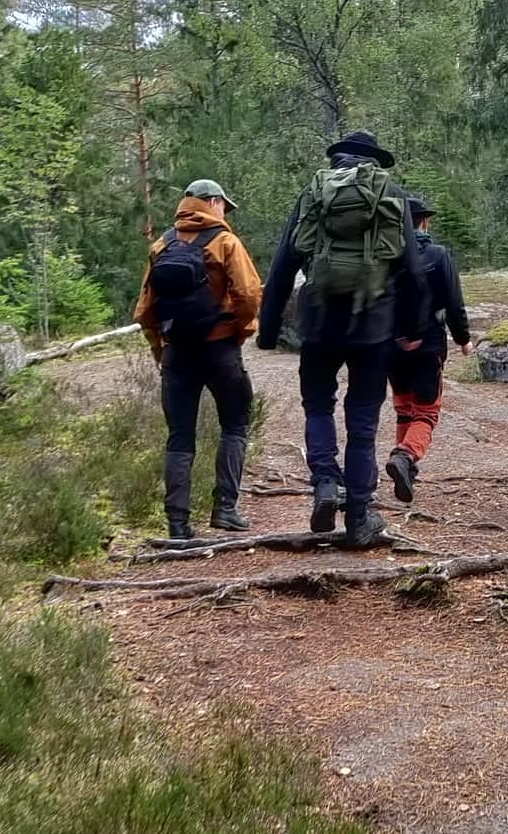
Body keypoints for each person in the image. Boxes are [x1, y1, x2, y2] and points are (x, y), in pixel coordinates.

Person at [256, 130, 429, 547]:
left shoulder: (313, 193)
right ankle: (359, 515)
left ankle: (325, 484)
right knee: (363, 420)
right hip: (373, 327)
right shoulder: (389, 193)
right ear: (373, 162)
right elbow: (413, 270)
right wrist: (412, 328)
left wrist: (267, 330)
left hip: (318, 324)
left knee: (318, 407)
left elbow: (283, 265)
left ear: (338, 160)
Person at [134, 179, 263, 541]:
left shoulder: (161, 246)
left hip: (177, 353)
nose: (225, 212)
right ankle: (225, 509)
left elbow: (145, 311)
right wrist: (241, 331)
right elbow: (250, 294)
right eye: (224, 205)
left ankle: (178, 524)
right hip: (220, 349)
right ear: (214, 202)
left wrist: (160, 349)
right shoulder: (225, 242)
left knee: (179, 436)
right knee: (235, 425)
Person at [385, 195, 473, 504]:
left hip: (391, 348)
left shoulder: (385, 256)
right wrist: (463, 339)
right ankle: (406, 457)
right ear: (424, 221)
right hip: (428, 345)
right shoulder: (438, 255)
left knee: (403, 407)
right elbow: (453, 302)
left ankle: (406, 466)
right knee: (427, 411)